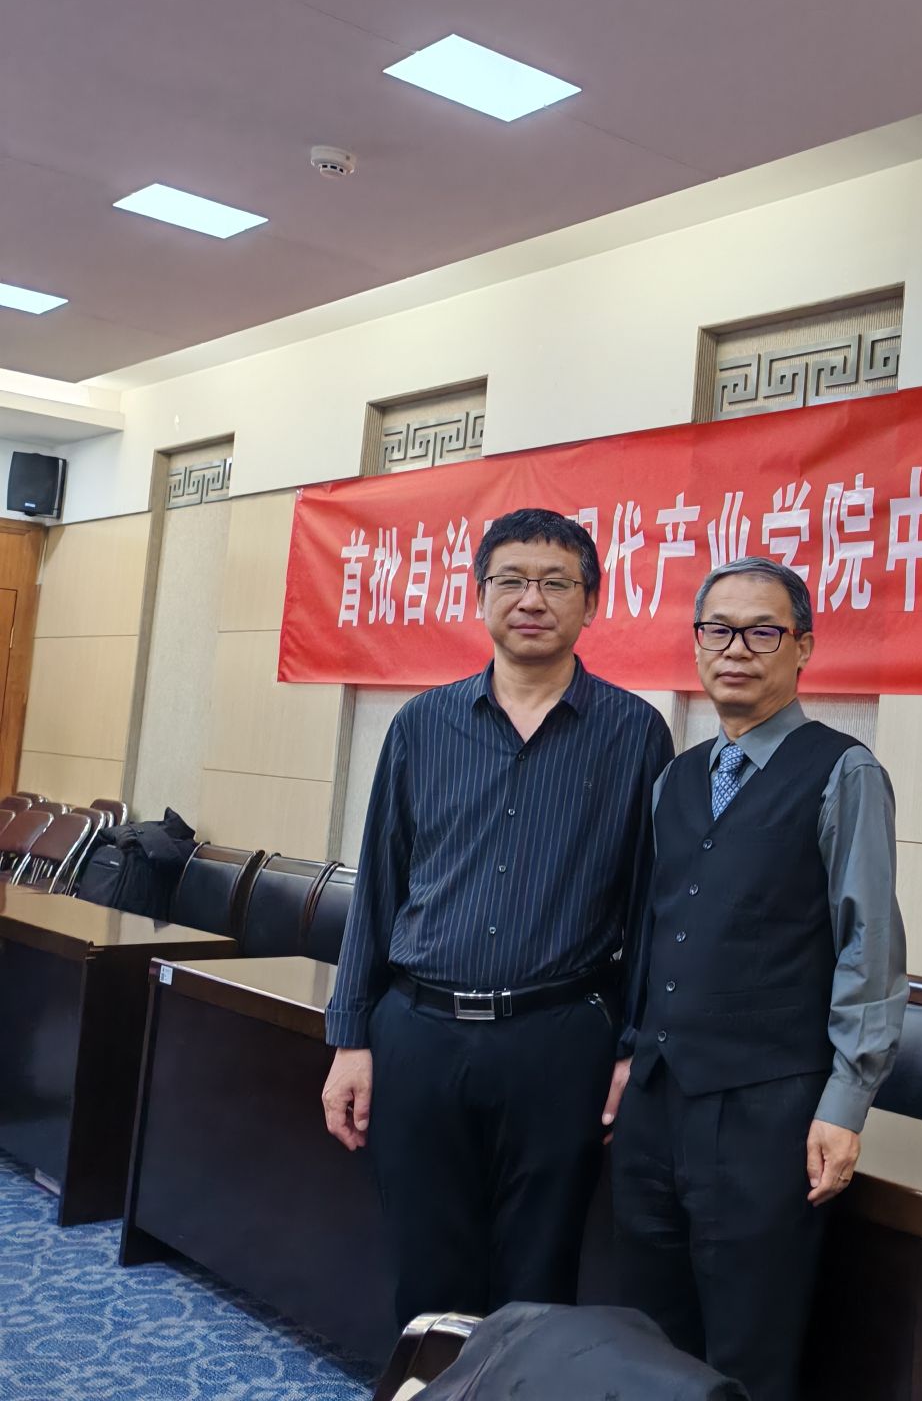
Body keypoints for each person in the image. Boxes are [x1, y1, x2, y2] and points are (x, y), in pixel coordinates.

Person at [320, 507, 674, 1327]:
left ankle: (516, 1386)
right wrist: (350, 1038)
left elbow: (650, 910)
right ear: (480, 596)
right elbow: (379, 889)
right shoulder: (422, 725)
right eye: (511, 580)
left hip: (560, 1041)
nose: (532, 599)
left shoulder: (634, 734)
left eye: (556, 583)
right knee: (426, 1263)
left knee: (539, 1272)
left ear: (593, 602)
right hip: (419, 1034)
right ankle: (434, 1384)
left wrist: (633, 1048)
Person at [612, 555, 907, 1401]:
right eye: (718, 630)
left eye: (762, 632)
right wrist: (631, 1051)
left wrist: (846, 1102)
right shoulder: (677, 777)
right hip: (657, 1101)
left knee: (750, 1347)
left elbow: (869, 945)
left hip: (766, 1111)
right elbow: (658, 929)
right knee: (650, 1334)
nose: (735, 649)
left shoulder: (844, 772)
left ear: (803, 647)